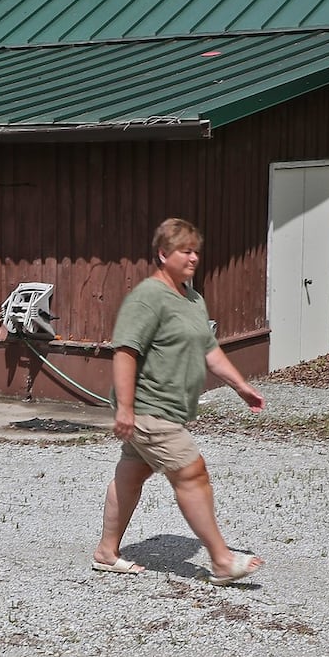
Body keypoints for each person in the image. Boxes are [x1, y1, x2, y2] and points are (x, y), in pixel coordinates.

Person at [91, 217, 265, 585]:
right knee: (191, 472)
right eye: (185, 251)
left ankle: (107, 552)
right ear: (162, 254)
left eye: (196, 251)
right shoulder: (148, 298)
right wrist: (124, 408)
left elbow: (208, 348)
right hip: (147, 408)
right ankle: (221, 560)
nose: (193, 258)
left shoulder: (192, 299)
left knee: (131, 474)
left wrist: (239, 385)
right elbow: (125, 351)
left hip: (166, 408)